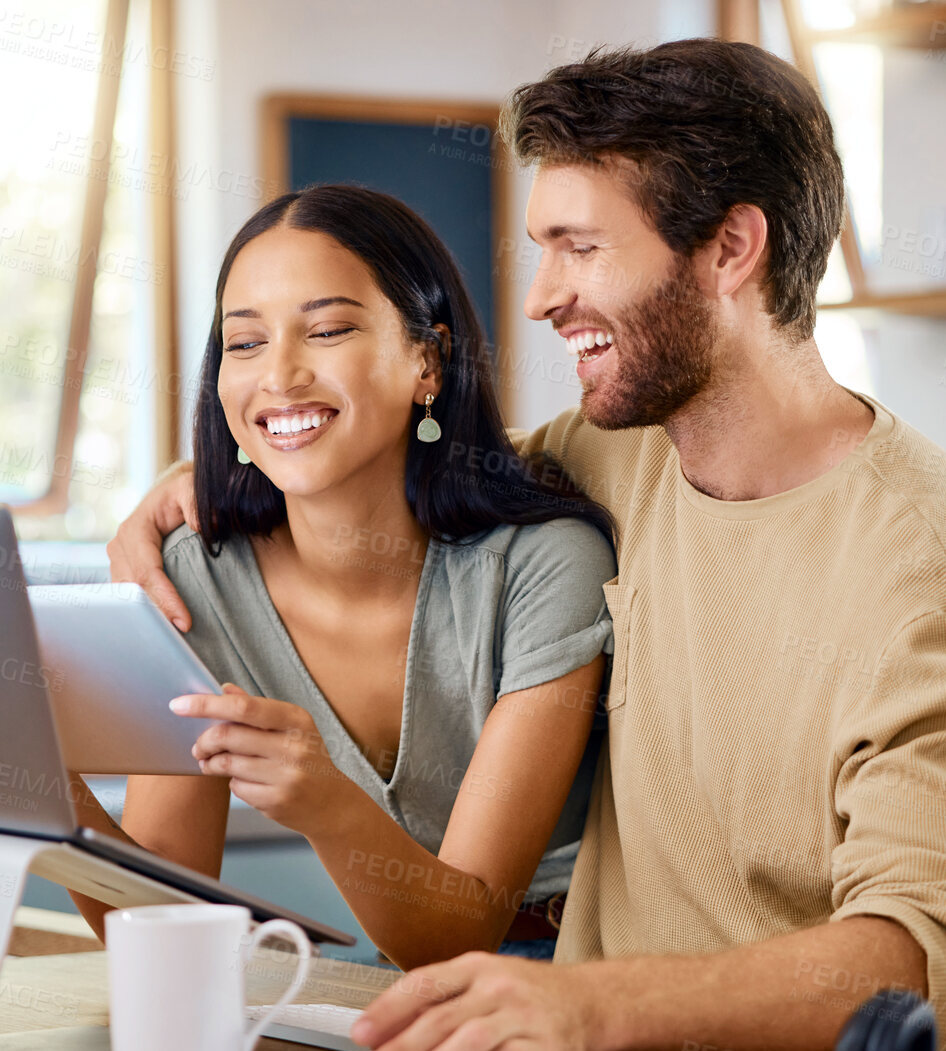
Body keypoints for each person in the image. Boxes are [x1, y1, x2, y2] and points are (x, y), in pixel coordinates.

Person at [106, 38, 946, 1051]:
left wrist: (585, 1000)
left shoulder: (937, 579)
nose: (539, 296)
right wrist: (181, 492)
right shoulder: (606, 457)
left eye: (579, 247)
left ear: (730, 248)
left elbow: (918, 959)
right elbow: (384, 469)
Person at [72, 184, 617, 969]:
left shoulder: (542, 565)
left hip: (574, 982)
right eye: (246, 343)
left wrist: (324, 800)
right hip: (398, 985)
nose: (280, 377)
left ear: (427, 360)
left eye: (326, 330)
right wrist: (45, 788)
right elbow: (162, 927)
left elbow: (460, 933)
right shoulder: (197, 580)